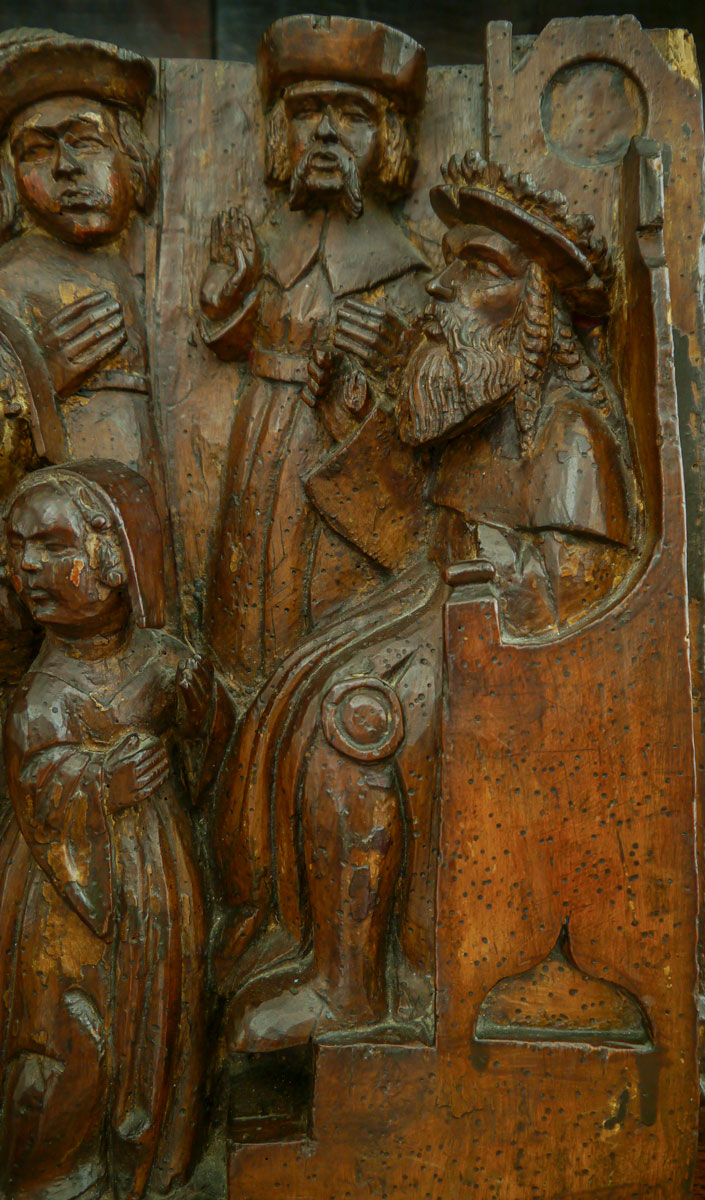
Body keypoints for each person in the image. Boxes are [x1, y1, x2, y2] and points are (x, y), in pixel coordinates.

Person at [214, 152, 636, 1052]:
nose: (440, 289)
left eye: (475, 268)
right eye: (447, 264)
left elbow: (579, 612)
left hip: (510, 670)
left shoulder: (569, 434)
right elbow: (413, 530)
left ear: (535, 306)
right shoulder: (482, 412)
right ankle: (287, 937)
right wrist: (351, 412)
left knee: (355, 723)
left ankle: (352, 987)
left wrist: (482, 598)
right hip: (435, 614)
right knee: (295, 693)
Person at [0, 461, 233, 1200]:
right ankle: (54, 1175)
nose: (27, 566)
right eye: (16, 548)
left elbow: (217, 761)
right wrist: (101, 782)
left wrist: (202, 714)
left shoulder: (164, 660)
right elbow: (37, 787)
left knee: (157, 1015)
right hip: (66, 895)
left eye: (52, 546)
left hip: (159, 878)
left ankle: (144, 1163)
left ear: (119, 556)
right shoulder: (42, 697)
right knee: (71, 1037)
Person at [200, 15, 429, 689]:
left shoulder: (408, 271)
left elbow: (430, 412)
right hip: (257, 448)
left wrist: (398, 359)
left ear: (389, 137)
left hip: (335, 465)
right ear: (281, 133)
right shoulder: (269, 245)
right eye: (307, 113)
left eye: (352, 115)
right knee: (244, 606)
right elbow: (243, 342)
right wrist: (228, 297)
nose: (326, 133)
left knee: (323, 607)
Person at [0, 28, 165, 513]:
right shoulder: (10, 280)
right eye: (37, 150)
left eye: (85, 141)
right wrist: (39, 375)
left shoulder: (153, 261)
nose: (65, 167)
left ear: (133, 156)